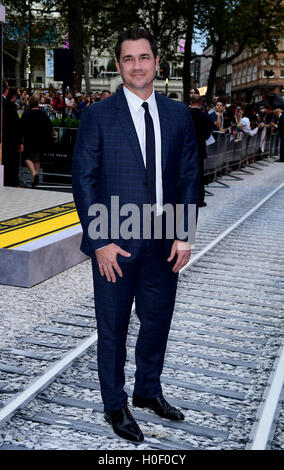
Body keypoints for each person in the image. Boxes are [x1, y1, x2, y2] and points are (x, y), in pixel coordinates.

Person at [72, 27, 199, 443]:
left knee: (158, 321)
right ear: (120, 65)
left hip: (165, 238)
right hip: (117, 238)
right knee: (113, 327)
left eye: (144, 57)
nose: (137, 66)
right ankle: (115, 403)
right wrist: (99, 241)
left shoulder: (179, 115)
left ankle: (148, 391)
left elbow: (188, 176)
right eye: (129, 59)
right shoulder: (98, 114)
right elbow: (84, 181)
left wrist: (184, 234)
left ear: (157, 63)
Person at [21, 93, 54, 187]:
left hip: (29, 139)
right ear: (38, 103)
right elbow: (49, 127)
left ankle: (34, 175)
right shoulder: (43, 113)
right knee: (37, 159)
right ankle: (36, 177)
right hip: (41, 140)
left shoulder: (26, 113)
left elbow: (21, 127)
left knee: (26, 157)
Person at [189, 93, 212, 207]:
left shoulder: (185, 115)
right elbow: (208, 135)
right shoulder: (205, 117)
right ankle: (199, 199)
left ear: (190, 103)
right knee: (199, 174)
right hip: (200, 148)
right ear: (201, 103)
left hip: (187, 149)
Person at [2, 81, 23, 187]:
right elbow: (16, 125)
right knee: (10, 163)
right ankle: (12, 182)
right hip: (9, 140)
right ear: (6, 91)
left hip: (5, 139)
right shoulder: (9, 105)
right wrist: (20, 142)